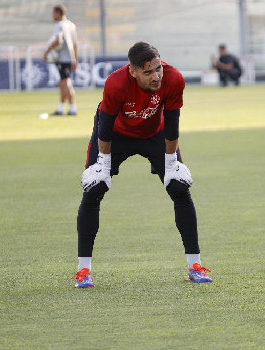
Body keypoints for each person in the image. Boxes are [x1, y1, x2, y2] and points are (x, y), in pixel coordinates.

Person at [72, 42, 212, 288]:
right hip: (115, 135)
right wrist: (103, 164)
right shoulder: (116, 83)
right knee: (93, 190)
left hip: (154, 134)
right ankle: (84, 271)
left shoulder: (174, 79)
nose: (156, 76)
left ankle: (195, 266)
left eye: (157, 68)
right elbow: (104, 125)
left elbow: (172, 122)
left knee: (179, 188)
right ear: (132, 71)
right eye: (148, 72)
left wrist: (171, 163)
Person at [43, 4, 78, 115]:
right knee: (63, 83)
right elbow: (75, 44)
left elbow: (58, 40)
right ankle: (61, 108)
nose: (52, 15)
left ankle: (72, 108)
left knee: (66, 82)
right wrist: (75, 59)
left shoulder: (60, 25)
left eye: (53, 13)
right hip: (69, 58)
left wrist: (47, 50)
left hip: (63, 58)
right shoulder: (71, 25)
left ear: (59, 13)